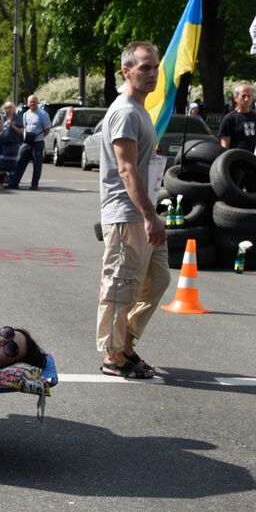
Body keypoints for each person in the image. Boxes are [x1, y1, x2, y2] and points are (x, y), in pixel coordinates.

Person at [96, 41, 170, 380]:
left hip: (143, 214)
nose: (153, 73)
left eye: (155, 67)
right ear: (127, 70)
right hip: (128, 215)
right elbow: (127, 170)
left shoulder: (141, 110)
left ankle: (125, 343)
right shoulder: (125, 111)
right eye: (145, 67)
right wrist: (149, 216)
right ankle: (114, 354)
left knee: (157, 280)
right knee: (122, 286)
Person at [6, 94, 51, 190]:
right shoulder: (26, 114)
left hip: (38, 142)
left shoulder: (43, 114)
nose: (32, 103)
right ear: (27, 103)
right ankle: (14, 183)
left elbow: (47, 129)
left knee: (37, 164)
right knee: (20, 161)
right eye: (30, 102)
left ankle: (34, 184)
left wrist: (39, 137)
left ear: (37, 102)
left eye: (34, 102)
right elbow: (25, 128)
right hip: (27, 142)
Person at [218, 83, 256, 153]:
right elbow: (224, 146)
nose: (246, 99)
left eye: (249, 96)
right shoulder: (229, 119)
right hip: (237, 159)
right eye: (243, 96)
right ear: (236, 98)